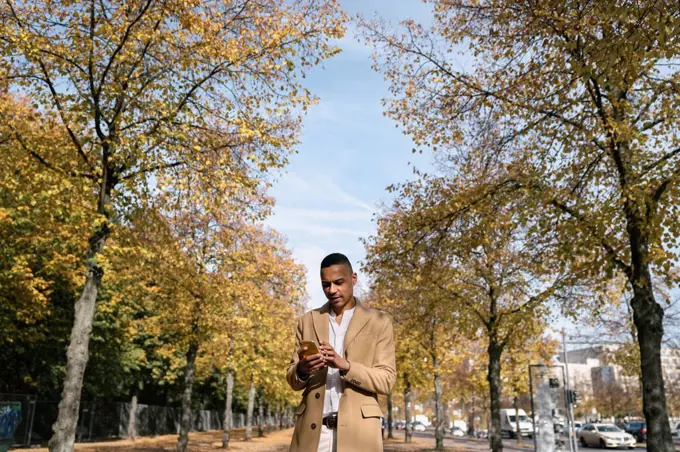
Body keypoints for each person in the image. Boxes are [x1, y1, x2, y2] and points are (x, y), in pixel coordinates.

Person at [286, 253, 396, 452]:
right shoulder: (307, 320)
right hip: (313, 435)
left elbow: (387, 380)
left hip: (359, 435)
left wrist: (346, 366)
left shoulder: (379, 321)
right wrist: (302, 369)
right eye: (326, 284)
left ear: (353, 279)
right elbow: (293, 380)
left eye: (338, 282)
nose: (332, 290)